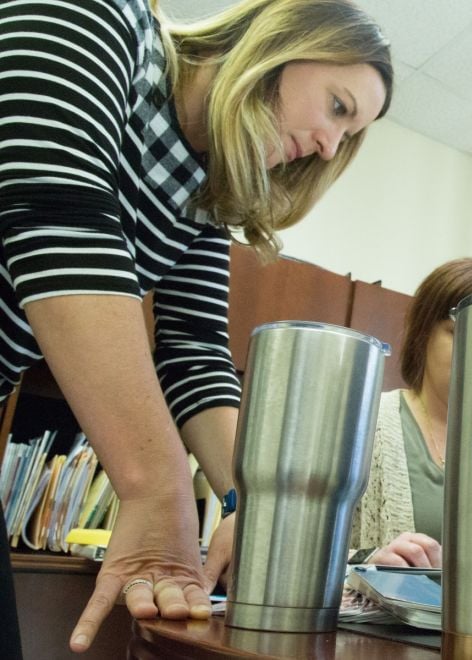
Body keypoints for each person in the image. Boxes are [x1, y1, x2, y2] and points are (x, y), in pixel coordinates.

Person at [0, 0, 393, 653]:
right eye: (338, 107)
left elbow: (195, 354)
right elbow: (53, 205)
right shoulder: (106, 20)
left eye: (348, 136)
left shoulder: (203, 199)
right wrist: (158, 486)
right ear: (282, 37)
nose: (330, 144)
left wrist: (253, 506)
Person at [351, 258, 472, 567]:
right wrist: (370, 561)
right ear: (423, 333)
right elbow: (299, 550)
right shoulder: (363, 423)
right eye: (458, 332)